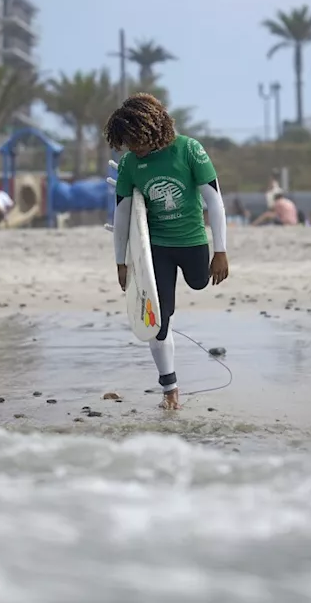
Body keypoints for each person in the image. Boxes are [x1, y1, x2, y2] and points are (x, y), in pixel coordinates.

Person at [109, 93, 229, 411]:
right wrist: (121, 261)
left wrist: (220, 251)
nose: (134, 147)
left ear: (154, 127)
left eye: (137, 139)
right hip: (157, 248)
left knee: (200, 282)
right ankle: (170, 388)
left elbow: (214, 201)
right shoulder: (130, 164)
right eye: (128, 142)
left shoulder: (189, 149)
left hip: (191, 241)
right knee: (159, 321)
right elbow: (121, 215)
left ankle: (174, 305)